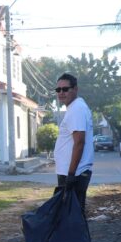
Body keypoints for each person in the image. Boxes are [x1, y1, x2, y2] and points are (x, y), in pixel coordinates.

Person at [53, 73, 95, 214]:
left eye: (65, 89)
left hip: (74, 173)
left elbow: (79, 143)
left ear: (75, 89)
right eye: (58, 90)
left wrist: (71, 175)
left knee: (72, 217)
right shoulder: (75, 108)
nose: (61, 93)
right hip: (72, 172)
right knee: (70, 216)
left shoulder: (77, 109)